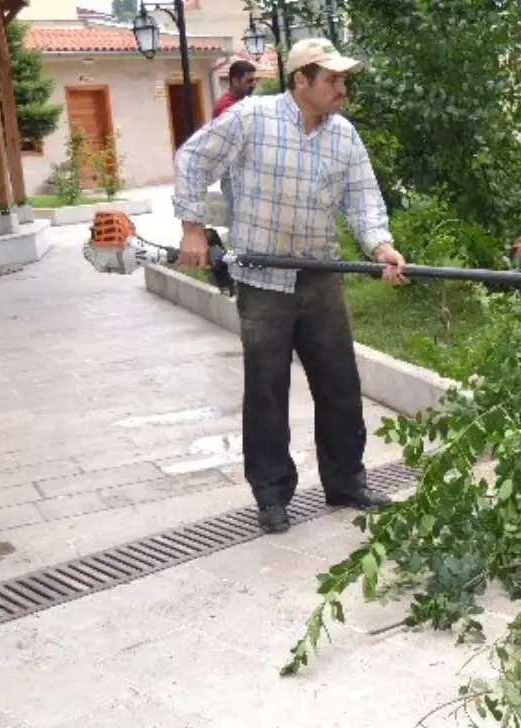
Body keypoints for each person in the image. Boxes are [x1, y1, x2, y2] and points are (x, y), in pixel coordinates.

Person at [172, 38, 409, 534]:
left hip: (320, 275)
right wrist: (193, 227)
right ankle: (272, 496)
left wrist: (381, 247)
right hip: (263, 280)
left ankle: (346, 481)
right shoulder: (251, 119)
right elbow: (193, 158)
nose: (342, 89)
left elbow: (363, 200)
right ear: (301, 80)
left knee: (340, 385)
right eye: (333, 80)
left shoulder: (343, 136)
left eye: (343, 80)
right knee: (266, 391)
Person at [212, 60, 258, 222]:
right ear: (235, 81)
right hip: (232, 172)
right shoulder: (227, 107)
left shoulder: (244, 103)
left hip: (245, 170)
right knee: (240, 218)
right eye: (249, 81)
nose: (253, 85)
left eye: (254, 80)